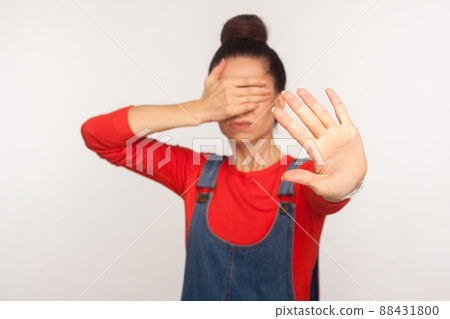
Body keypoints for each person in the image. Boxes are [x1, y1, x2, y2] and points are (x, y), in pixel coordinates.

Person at [81, 14, 367, 301]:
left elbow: (329, 193)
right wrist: (198, 110)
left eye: (252, 94)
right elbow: (98, 135)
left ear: (279, 102)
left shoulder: (306, 177)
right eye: (228, 96)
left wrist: (346, 187)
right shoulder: (193, 172)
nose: (239, 109)